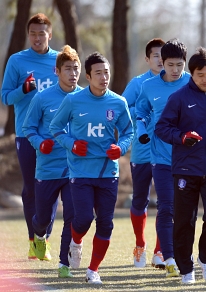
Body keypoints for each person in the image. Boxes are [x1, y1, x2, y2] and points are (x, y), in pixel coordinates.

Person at [49, 52, 134, 284]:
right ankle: (76, 242)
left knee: (106, 223)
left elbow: (128, 131)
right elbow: (55, 128)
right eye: (98, 73)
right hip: (81, 171)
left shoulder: (118, 102)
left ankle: (93, 270)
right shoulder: (73, 101)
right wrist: (72, 144)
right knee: (84, 218)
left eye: (106, 72)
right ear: (88, 76)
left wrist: (122, 147)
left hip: (108, 172)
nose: (104, 77)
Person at [155, 47, 206, 285]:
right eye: (200, 74)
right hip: (185, 170)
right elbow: (162, 128)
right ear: (191, 74)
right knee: (184, 221)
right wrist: (181, 137)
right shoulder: (179, 97)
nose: (205, 79)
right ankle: (186, 269)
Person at [1, 13, 58, 260]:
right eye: (33, 33)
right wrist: (23, 89)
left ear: (50, 34)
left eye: (42, 33)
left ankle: (43, 236)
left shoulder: (60, 60)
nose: (37, 37)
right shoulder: (17, 61)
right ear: (28, 34)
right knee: (32, 190)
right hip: (26, 134)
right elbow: (5, 97)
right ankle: (34, 241)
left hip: (56, 135)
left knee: (53, 186)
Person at [21, 45, 81, 278]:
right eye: (68, 69)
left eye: (76, 68)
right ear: (57, 71)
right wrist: (40, 143)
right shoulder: (42, 97)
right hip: (47, 168)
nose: (73, 73)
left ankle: (63, 263)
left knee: (73, 215)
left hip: (75, 168)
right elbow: (28, 127)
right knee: (43, 219)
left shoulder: (86, 97)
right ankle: (39, 236)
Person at [135, 38, 190, 278]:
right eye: (170, 65)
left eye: (180, 65)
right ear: (161, 63)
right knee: (166, 207)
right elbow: (140, 111)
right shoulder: (148, 86)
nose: (176, 70)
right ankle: (168, 257)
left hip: (190, 159)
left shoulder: (193, 82)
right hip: (160, 158)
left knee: (185, 212)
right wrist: (142, 132)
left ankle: (181, 254)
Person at [121, 38, 166, 269]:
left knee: (167, 202)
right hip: (142, 152)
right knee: (140, 200)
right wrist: (141, 115)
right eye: (155, 56)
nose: (160, 60)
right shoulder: (138, 84)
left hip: (169, 154)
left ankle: (160, 250)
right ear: (147, 59)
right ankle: (140, 244)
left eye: (163, 55)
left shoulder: (179, 82)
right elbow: (121, 107)